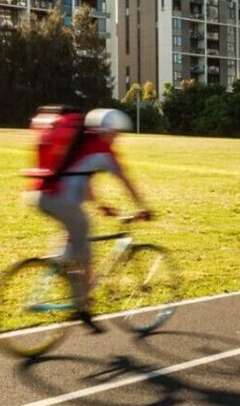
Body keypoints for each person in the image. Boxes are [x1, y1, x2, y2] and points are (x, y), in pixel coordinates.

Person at [30, 107, 151, 333]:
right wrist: (143, 207)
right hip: (58, 200)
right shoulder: (103, 150)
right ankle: (83, 307)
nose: (117, 138)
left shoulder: (81, 143)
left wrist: (100, 204)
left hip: (38, 195)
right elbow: (125, 180)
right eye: (117, 133)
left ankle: (60, 265)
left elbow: (82, 178)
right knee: (84, 243)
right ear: (109, 130)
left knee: (73, 239)